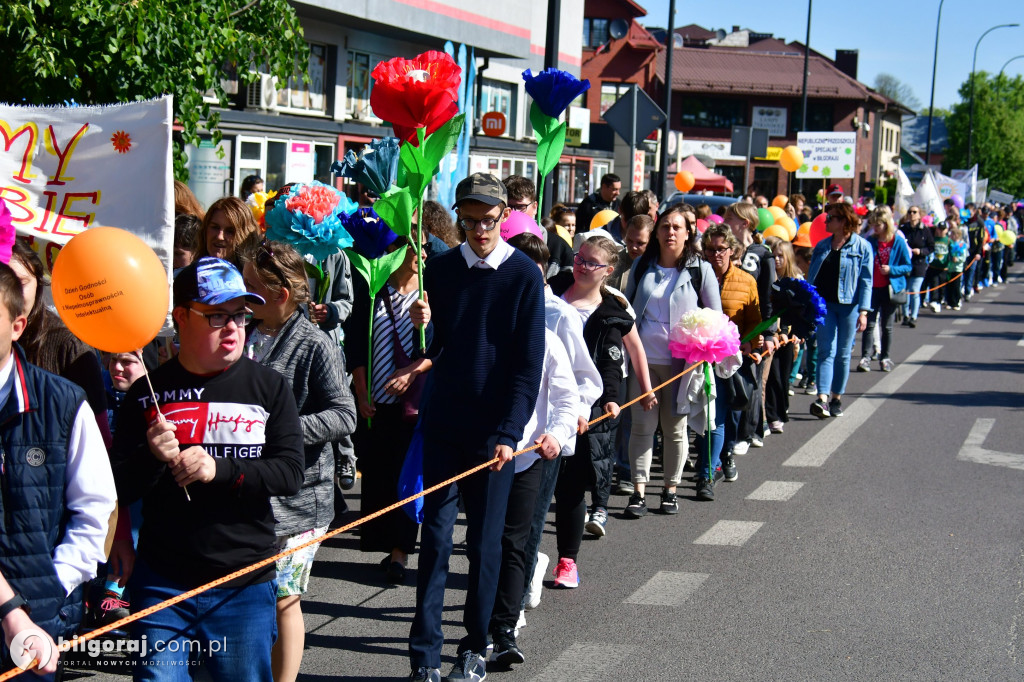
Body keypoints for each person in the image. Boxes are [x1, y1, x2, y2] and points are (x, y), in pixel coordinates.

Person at [111, 257, 304, 680]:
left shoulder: (268, 387)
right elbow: (118, 488)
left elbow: (290, 474)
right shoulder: (147, 393)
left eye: (240, 315)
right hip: (163, 582)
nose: (234, 327)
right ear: (182, 317)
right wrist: (150, 454)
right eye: (217, 315)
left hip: (243, 584)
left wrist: (220, 469)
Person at [408, 173, 544, 682]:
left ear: (505, 216)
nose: (480, 230)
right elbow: (437, 349)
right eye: (469, 221)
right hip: (445, 422)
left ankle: (476, 643)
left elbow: (528, 366)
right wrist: (424, 324)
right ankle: (423, 656)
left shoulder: (525, 275)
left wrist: (510, 431)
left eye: (488, 220)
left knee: (484, 546)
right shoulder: (440, 270)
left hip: (493, 433)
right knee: (436, 541)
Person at [241, 240, 357, 682]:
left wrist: (285, 429)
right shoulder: (243, 331)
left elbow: (344, 414)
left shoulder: (314, 342)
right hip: (248, 489)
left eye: (252, 286)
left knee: (284, 597)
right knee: (250, 596)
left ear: (281, 294)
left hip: (299, 497)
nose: (243, 294)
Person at [0, 263, 117, 676]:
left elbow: (95, 507)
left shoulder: (63, 403)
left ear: (17, 325)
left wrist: (53, 581)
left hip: (40, 617)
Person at [503, 234, 600, 617]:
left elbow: (585, 378)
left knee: (527, 524)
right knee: (499, 531)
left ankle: (514, 606)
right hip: (504, 438)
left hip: (545, 439)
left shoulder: (560, 315)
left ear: (540, 271)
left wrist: (575, 413)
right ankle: (515, 584)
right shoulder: (498, 306)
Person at [549, 236, 654, 570]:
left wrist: (620, 396)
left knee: (572, 487)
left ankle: (568, 560)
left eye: (591, 263)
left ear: (608, 270)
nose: (581, 266)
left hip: (587, 406)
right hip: (544, 398)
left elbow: (615, 358)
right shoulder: (551, 293)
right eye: (579, 258)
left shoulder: (612, 313)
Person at [624, 205, 722, 517]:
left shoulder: (700, 269)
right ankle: (638, 492)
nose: (670, 232)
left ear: (688, 233)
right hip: (644, 362)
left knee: (675, 429)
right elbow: (627, 312)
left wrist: (703, 348)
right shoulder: (642, 266)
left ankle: (670, 490)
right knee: (641, 428)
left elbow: (716, 318)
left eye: (677, 227)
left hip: (682, 365)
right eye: (665, 226)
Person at [344, 233, 430, 584]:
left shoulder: (428, 296)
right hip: (376, 405)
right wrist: (362, 394)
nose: (421, 253)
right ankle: (385, 543)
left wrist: (411, 373)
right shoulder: (373, 290)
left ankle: (401, 552)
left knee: (407, 478)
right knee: (378, 473)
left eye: (424, 246)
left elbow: (437, 351)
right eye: (413, 246)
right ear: (393, 252)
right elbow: (356, 346)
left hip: (413, 406)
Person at [9, 241, 110, 444]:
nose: (14, 293)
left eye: (22, 282)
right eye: (6, 283)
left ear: (38, 283)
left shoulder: (68, 345)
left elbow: (99, 436)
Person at [695, 225, 760, 500]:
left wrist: (749, 342)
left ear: (732, 251)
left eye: (721, 249)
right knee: (699, 417)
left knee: (716, 417)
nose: (715, 255)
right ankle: (708, 464)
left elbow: (755, 322)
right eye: (709, 249)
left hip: (726, 362)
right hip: (694, 357)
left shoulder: (746, 281)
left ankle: (706, 474)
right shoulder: (694, 275)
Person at [806, 203, 873, 419]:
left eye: (830, 218)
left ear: (843, 221)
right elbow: (811, 277)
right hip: (825, 306)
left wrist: (863, 311)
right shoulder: (823, 246)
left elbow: (866, 281)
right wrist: (809, 302)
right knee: (826, 351)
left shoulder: (861, 247)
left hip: (848, 307)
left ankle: (836, 398)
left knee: (843, 355)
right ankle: (822, 398)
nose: (826, 222)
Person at [722, 202, 777, 454]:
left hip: (750, 329)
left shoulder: (761, 254)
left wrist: (768, 332)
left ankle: (746, 432)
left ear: (745, 223)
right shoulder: (721, 247)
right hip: (723, 329)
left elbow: (767, 297)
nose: (725, 220)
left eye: (730, 217)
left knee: (747, 382)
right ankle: (725, 438)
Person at [857, 208, 911, 375]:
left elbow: (908, 266)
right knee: (869, 324)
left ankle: (885, 357)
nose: (875, 228)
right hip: (872, 288)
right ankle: (865, 357)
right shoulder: (870, 241)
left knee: (886, 326)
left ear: (886, 224)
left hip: (890, 289)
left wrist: (892, 270)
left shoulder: (898, 242)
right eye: (873, 224)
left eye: (878, 224)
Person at [763, 236, 800, 432]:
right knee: (773, 378)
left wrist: (797, 333)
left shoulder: (796, 280)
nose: (777, 260)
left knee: (784, 377)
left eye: (780, 256)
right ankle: (772, 415)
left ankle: (781, 410)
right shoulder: (768, 279)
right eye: (773, 256)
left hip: (790, 337)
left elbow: (801, 310)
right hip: (773, 335)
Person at [192, 196, 261, 267]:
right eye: (215, 227)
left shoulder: (253, 277)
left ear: (245, 236)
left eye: (230, 231)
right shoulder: (188, 275)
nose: (220, 237)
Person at [900, 205, 933, 328]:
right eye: (910, 212)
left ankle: (914, 316)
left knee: (914, 290)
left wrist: (921, 251)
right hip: (905, 264)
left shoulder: (925, 230)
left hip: (919, 264)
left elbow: (931, 247)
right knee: (905, 290)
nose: (912, 214)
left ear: (919, 215)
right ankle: (905, 315)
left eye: (915, 212)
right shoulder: (903, 229)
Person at [610, 215, 653, 292]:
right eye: (630, 241)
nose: (633, 247)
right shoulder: (614, 262)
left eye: (640, 243)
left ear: (651, 241)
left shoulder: (657, 266)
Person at [924, 221, 951, 314]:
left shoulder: (948, 240)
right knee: (934, 284)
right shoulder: (933, 239)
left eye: (943, 229)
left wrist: (950, 264)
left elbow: (951, 253)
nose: (941, 231)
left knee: (942, 286)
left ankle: (939, 301)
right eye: (940, 229)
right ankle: (934, 301)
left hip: (944, 268)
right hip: (934, 266)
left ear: (947, 230)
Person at [946, 224, 969, 311]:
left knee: (956, 285)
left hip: (958, 268)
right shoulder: (950, 244)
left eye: (952, 235)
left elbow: (963, 257)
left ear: (957, 235)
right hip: (950, 268)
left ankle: (956, 302)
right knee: (949, 285)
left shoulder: (962, 245)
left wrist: (958, 259)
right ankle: (949, 302)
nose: (951, 236)